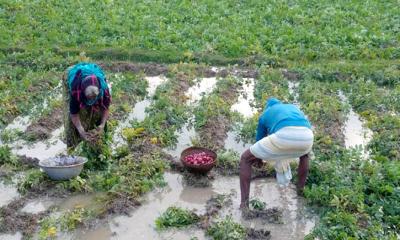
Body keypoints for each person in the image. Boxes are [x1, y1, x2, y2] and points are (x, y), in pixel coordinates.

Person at [240, 97, 313, 208]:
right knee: (304, 155)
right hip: (307, 137)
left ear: (268, 107)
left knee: (245, 158)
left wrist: (258, 160)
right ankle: (300, 190)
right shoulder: (292, 107)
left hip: (285, 135)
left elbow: (259, 141)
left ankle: (244, 204)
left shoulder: (266, 114)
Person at [63, 62, 111, 148]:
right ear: (83, 93)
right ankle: (73, 146)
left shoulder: (103, 89)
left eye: (94, 97)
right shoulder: (76, 89)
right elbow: (74, 113)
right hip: (72, 75)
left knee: (97, 116)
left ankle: (98, 142)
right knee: (74, 126)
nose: (91, 100)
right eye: (89, 97)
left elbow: (105, 108)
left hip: (94, 84)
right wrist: (81, 130)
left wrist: (102, 125)